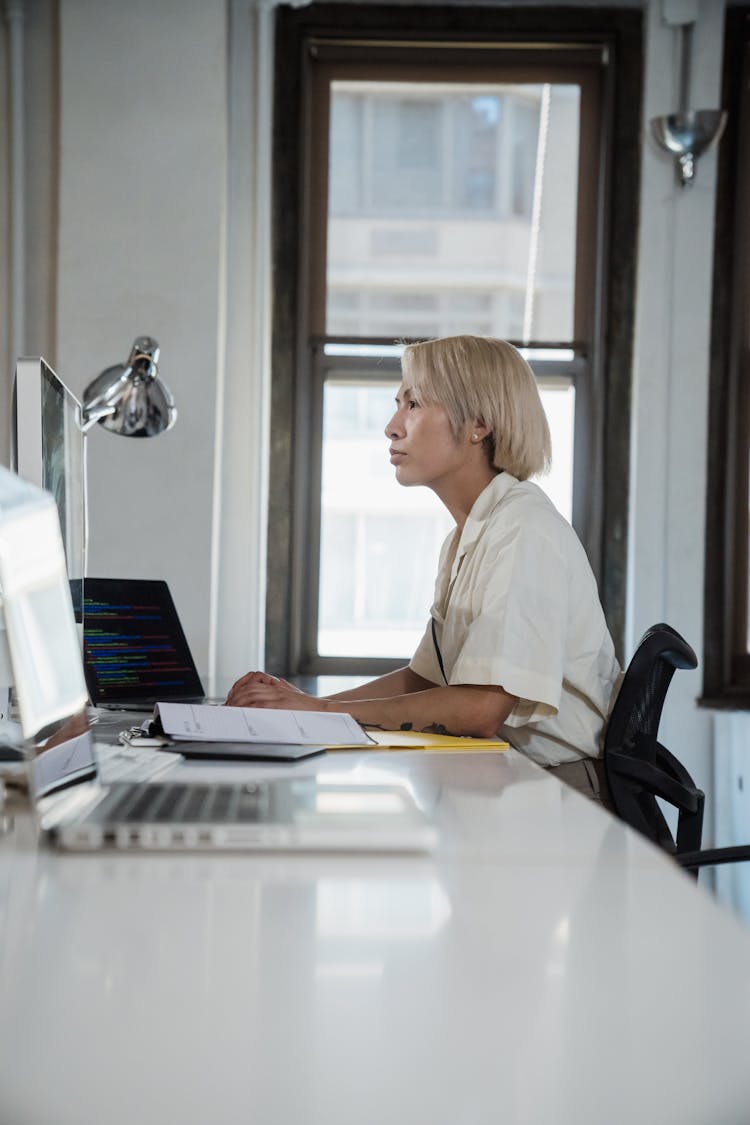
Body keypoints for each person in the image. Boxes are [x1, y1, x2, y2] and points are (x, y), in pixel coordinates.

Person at [227, 335, 621, 810]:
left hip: (562, 796)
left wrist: (321, 712)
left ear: (478, 424)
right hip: (511, 783)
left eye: (413, 404)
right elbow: (424, 681)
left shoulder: (524, 532)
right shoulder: (470, 535)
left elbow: (478, 710)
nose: (392, 428)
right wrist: (305, 707)